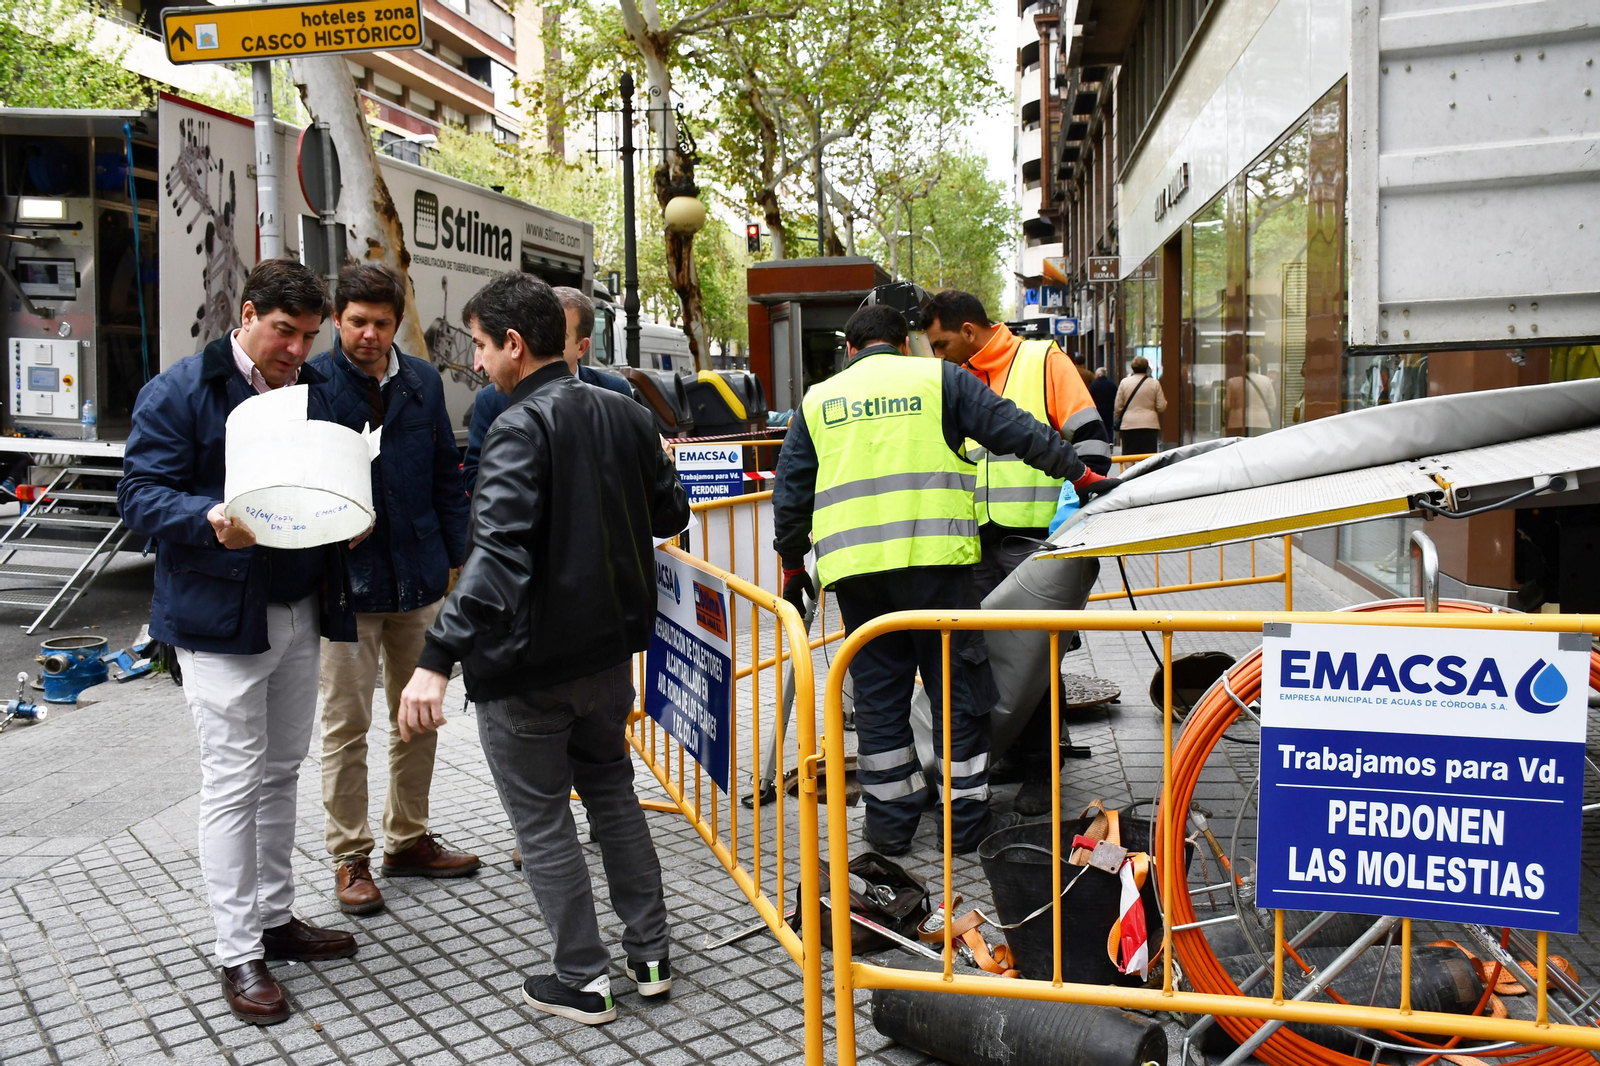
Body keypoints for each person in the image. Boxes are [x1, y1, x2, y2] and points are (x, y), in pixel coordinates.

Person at [396, 272, 690, 1026]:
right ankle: (651, 956)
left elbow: (496, 560)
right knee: (613, 794)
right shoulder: (625, 414)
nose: (479, 364)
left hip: (527, 669)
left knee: (545, 823)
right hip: (607, 660)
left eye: (484, 347)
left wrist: (435, 658)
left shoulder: (515, 428)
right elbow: (669, 509)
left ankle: (582, 978)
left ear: (516, 345)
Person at [772, 304, 1114, 857]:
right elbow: (1016, 431)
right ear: (903, 344)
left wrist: (792, 567)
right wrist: (1082, 472)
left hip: (858, 580)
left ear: (851, 351)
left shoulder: (819, 399)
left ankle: (889, 829)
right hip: (940, 570)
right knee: (957, 693)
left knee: (880, 702)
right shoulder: (938, 378)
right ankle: (964, 827)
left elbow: (790, 497)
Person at [118, 257, 359, 1026]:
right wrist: (207, 519)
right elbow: (138, 495)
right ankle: (237, 950)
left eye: (307, 337)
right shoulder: (181, 390)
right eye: (284, 333)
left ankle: (276, 918)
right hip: (218, 619)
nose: (295, 351)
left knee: (282, 770)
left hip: (295, 605)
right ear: (247, 313)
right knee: (232, 778)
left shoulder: (309, 391)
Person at [306, 263, 478, 917]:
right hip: (346, 590)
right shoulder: (313, 385)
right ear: (338, 319)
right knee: (346, 729)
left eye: (382, 322)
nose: (370, 335)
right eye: (357, 322)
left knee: (419, 719)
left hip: (420, 580)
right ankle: (351, 858)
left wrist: (453, 562)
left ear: (397, 321)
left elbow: (445, 472)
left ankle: (408, 842)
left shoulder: (423, 382)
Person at [922, 290, 1116, 815]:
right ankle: (1008, 754)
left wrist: (1078, 521)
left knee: (1035, 657)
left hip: (1034, 539)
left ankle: (1041, 768)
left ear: (969, 330)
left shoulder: (1041, 359)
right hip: (974, 540)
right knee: (987, 655)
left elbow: (1092, 440)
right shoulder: (951, 378)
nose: (936, 355)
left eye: (941, 343)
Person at [461, 285, 632, 492]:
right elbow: (475, 476)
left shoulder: (616, 395)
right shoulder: (491, 400)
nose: (545, 337)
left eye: (560, 333)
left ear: (582, 347)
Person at [1114, 355, 1168, 456]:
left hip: (1128, 424)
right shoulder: (1154, 383)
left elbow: (1118, 406)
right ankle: (1146, 472)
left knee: (1128, 453)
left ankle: (1131, 471)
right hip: (1149, 424)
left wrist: (1118, 415)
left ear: (1132, 368)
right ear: (1147, 368)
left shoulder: (1124, 383)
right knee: (1148, 455)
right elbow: (1161, 406)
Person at [1226, 353, 1277, 436]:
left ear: (1242, 365)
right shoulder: (1266, 380)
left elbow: (1227, 405)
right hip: (1261, 422)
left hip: (1237, 422)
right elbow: (1272, 404)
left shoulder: (1232, 382)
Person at [1089, 365, 1117, 430]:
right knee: (1109, 428)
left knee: (1099, 428)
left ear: (1097, 375)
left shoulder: (1093, 385)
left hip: (1097, 410)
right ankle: (1109, 440)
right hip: (1109, 410)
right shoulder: (1112, 384)